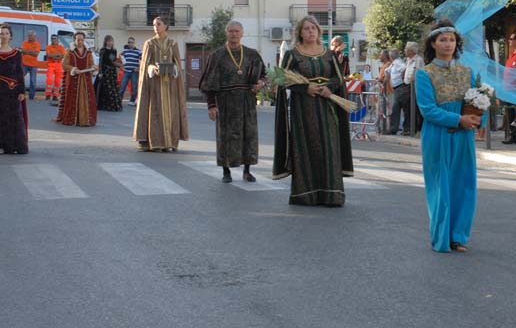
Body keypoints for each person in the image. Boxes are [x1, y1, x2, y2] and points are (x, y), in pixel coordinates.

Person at [415, 20, 483, 253]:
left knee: (464, 184)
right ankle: (441, 237)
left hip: (463, 135)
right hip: (437, 134)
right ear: (433, 43)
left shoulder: (468, 72)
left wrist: (476, 118)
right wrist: (458, 120)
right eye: (442, 39)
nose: (448, 44)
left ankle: (458, 236)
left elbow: (473, 104)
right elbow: (428, 110)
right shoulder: (424, 74)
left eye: (451, 39)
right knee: (440, 186)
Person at [273, 15, 353, 206]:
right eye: (306, 28)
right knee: (306, 148)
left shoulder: (330, 55)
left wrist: (329, 89)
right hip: (303, 110)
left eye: (313, 28)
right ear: (300, 32)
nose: (310, 31)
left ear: (319, 31)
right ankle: (306, 194)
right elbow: (282, 80)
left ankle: (331, 194)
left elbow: (338, 78)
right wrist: (304, 88)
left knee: (329, 146)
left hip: (327, 107)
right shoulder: (292, 55)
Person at [200, 21, 266, 183]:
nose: (234, 34)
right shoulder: (217, 55)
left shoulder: (252, 54)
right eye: (231, 31)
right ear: (226, 33)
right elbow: (208, 82)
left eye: (237, 31)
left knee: (248, 135)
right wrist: (211, 105)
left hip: (247, 101)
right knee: (226, 136)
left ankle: (247, 170)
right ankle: (226, 171)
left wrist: (261, 83)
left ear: (242, 33)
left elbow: (264, 74)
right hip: (225, 101)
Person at [133, 16, 188, 152]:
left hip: (170, 85)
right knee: (155, 112)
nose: (155, 27)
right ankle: (155, 142)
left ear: (165, 26)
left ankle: (170, 143)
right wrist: (152, 69)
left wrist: (173, 69)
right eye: (154, 24)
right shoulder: (149, 43)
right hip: (154, 85)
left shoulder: (173, 44)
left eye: (158, 24)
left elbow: (177, 64)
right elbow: (145, 64)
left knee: (171, 112)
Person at [55, 32, 98, 127]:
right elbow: (64, 65)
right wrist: (74, 69)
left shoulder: (88, 52)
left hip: (86, 79)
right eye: (78, 39)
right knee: (72, 98)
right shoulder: (70, 52)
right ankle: (72, 119)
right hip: (73, 79)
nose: (80, 41)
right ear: (75, 40)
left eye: (82, 40)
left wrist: (94, 68)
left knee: (87, 98)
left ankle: (85, 120)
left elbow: (91, 64)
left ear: (84, 40)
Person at [0, 23, 28, 154]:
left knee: (13, 118)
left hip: (12, 91)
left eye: (6, 33)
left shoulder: (16, 53)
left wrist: (22, 91)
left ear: (10, 36)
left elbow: (19, 73)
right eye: (1, 33)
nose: (4, 36)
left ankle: (14, 145)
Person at [94, 35, 123, 112]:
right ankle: (102, 105)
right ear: (106, 42)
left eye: (111, 41)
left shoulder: (114, 50)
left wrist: (120, 64)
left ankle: (112, 105)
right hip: (104, 71)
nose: (110, 42)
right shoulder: (103, 50)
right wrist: (100, 72)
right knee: (104, 88)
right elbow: (101, 62)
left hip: (112, 72)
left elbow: (113, 61)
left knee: (113, 88)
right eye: (109, 41)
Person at [387, 47, 408, 135]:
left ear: (391, 56)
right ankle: (395, 128)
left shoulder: (398, 62)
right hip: (398, 88)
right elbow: (388, 70)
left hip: (401, 87)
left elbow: (404, 68)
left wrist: (403, 78)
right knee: (396, 109)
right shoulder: (394, 63)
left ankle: (396, 129)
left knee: (398, 108)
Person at [119, 37, 142, 106]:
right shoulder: (125, 51)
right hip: (126, 71)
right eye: (129, 42)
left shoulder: (138, 51)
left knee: (134, 87)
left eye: (131, 42)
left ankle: (132, 100)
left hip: (134, 72)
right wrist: (121, 64)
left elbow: (143, 60)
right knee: (122, 86)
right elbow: (120, 58)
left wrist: (138, 67)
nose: (130, 44)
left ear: (134, 43)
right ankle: (119, 99)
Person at [44, 34, 66, 105]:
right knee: (49, 79)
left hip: (59, 64)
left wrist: (54, 55)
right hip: (51, 64)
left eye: (55, 38)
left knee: (57, 81)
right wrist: (57, 55)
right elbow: (48, 55)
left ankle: (55, 95)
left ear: (57, 39)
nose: (54, 40)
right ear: (51, 39)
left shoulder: (61, 47)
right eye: (52, 38)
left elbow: (63, 55)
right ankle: (48, 94)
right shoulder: (48, 47)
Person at [20, 30, 41, 100]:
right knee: (20, 78)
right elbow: (22, 51)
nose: (29, 37)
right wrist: (31, 51)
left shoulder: (37, 44)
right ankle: (21, 93)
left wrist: (27, 51)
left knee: (32, 81)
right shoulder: (24, 42)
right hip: (24, 64)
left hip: (33, 65)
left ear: (34, 36)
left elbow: (36, 54)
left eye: (30, 35)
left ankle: (31, 96)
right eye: (28, 35)